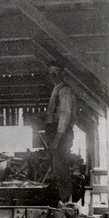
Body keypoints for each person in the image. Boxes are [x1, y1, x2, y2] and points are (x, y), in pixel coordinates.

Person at [45, 61, 77, 202]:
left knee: (60, 167)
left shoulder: (65, 90)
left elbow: (65, 115)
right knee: (56, 167)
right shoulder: (56, 90)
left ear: (62, 74)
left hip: (61, 133)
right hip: (56, 131)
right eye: (51, 73)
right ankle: (62, 199)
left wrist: (57, 139)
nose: (54, 76)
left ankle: (66, 200)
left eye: (57, 73)